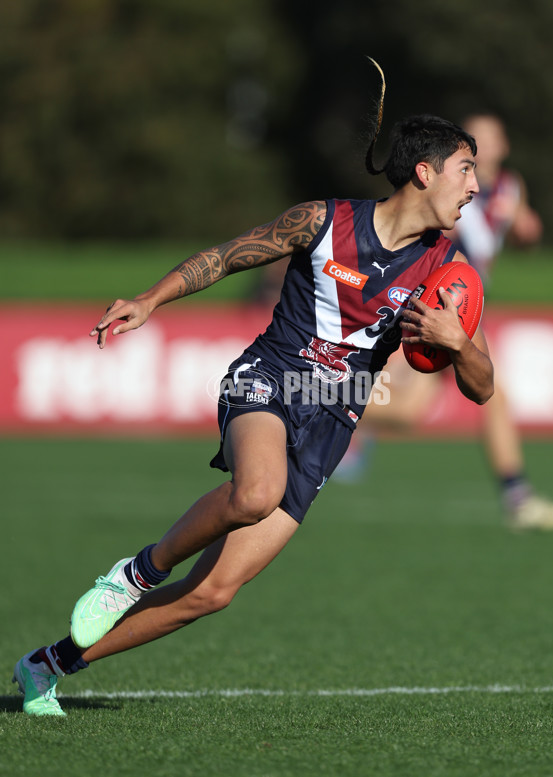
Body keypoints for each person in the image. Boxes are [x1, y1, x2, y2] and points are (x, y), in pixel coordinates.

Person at [12, 71, 494, 716]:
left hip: (333, 420)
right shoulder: (321, 222)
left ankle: (48, 665)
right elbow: (230, 255)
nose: (477, 185)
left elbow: (483, 388)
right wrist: (151, 299)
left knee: (211, 594)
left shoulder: (448, 269)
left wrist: (457, 342)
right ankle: (134, 575)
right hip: (268, 379)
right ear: (424, 173)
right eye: (466, 168)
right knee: (256, 492)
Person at [342, 114, 553, 532]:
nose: (484, 146)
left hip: (464, 312)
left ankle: (517, 497)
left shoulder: (510, 186)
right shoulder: (451, 187)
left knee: (454, 404)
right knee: (444, 401)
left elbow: (524, 231)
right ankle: (335, 415)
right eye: (477, 139)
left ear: (504, 146)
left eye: (492, 137)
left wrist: (527, 228)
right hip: (429, 305)